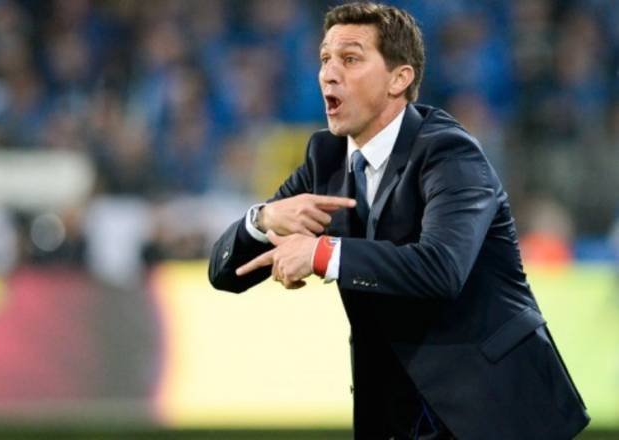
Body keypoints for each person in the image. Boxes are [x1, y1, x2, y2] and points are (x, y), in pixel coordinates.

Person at [208, 3, 589, 439]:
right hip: (398, 417)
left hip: (496, 408)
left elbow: (441, 268)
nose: (329, 74)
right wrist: (263, 218)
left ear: (399, 79)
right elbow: (225, 273)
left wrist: (322, 253)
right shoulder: (324, 159)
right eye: (325, 59)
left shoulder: (450, 153)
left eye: (350, 59)